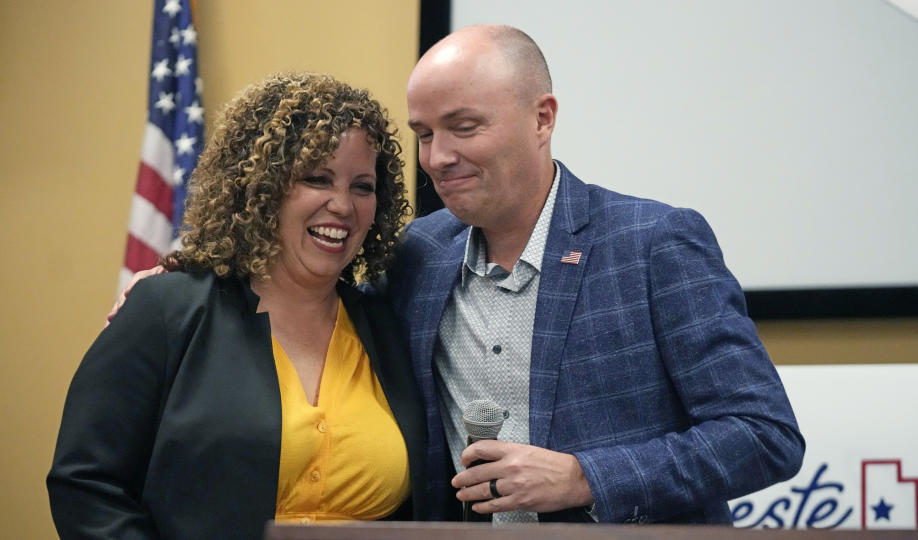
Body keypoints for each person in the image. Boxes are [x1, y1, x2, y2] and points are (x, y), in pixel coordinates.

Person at [387, 24, 805, 524]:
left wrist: (583, 478)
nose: (438, 158)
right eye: (425, 135)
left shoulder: (654, 242)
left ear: (542, 119)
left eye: (465, 127)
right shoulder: (418, 256)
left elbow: (763, 433)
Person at [48, 72, 437, 540]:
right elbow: (86, 485)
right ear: (260, 185)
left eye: (362, 186)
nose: (342, 205)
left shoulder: (386, 324)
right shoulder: (167, 309)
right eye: (317, 179)